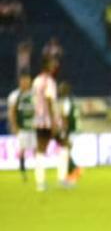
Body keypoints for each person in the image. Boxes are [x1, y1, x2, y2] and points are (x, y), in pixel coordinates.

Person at [30, 58, 67, 192]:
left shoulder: (36, 81)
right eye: (53, 65)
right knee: (64, 145)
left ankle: (40, 183)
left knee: (40, 149)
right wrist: (54, 122)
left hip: (38, 119)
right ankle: (62, 179)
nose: (56, 67)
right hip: (48, 120)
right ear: (47, 67)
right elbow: (50, 100)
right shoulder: (49, 81)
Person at [6, 73, 34, 181]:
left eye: (28, 81)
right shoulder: (15, 95)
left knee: (37, 150)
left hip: (33, 127)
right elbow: (11, 112)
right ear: (20, 82)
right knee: (22, 149)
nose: (26, 83)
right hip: (22, 128)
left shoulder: (34, 94)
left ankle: (38, 171)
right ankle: (23, 171)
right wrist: (14, 126)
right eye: (24, 81)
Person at [57, 80, 82, 185]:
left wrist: (65, 132)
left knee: (65, 153)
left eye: (61, 88)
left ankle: (73, 173)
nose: (59, 90)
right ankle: (70, 176)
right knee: (66, 153)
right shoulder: (73, 100)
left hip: (70, 130)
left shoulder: (65, 102)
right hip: (75, 129)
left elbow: (65, 118)